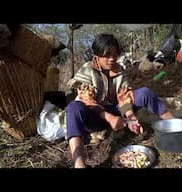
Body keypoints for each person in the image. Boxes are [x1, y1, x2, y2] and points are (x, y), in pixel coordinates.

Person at [66, 33, 174, 168]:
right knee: (73, 108)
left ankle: (173, 124)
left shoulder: (119, 70)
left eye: (115, 55)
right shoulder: (88, 70)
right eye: (107, 55)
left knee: (144, 93)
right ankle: (79, 164)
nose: (112, 59)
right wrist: (109, 118)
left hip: (116, 113)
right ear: (97, 55)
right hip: (94, 117)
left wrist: (131, 117)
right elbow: (87, 100)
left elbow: (124, 96)